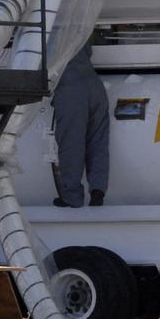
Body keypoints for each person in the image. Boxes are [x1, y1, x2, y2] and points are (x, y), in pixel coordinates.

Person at [51, 42, 110, 208]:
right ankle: (98, 190)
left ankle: (72, 196)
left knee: (71, 142)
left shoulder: (49, 35)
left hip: (70, 86)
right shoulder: (77, 32)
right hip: (95, 84)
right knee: (98, 141)